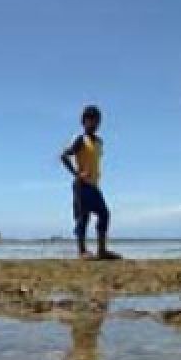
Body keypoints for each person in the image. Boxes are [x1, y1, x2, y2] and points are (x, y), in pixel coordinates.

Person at [60, 105, 120, 260]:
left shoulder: (99, 142)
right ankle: (82, 251)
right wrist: (76, 173)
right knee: (83, 217)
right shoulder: (80, 140)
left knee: (104, 214)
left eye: (97, 121)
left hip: (94, 186)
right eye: (91, 121)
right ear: (84, 122)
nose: (95, 124)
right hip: (81, 185)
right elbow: (64, 156)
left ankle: (102, 250)